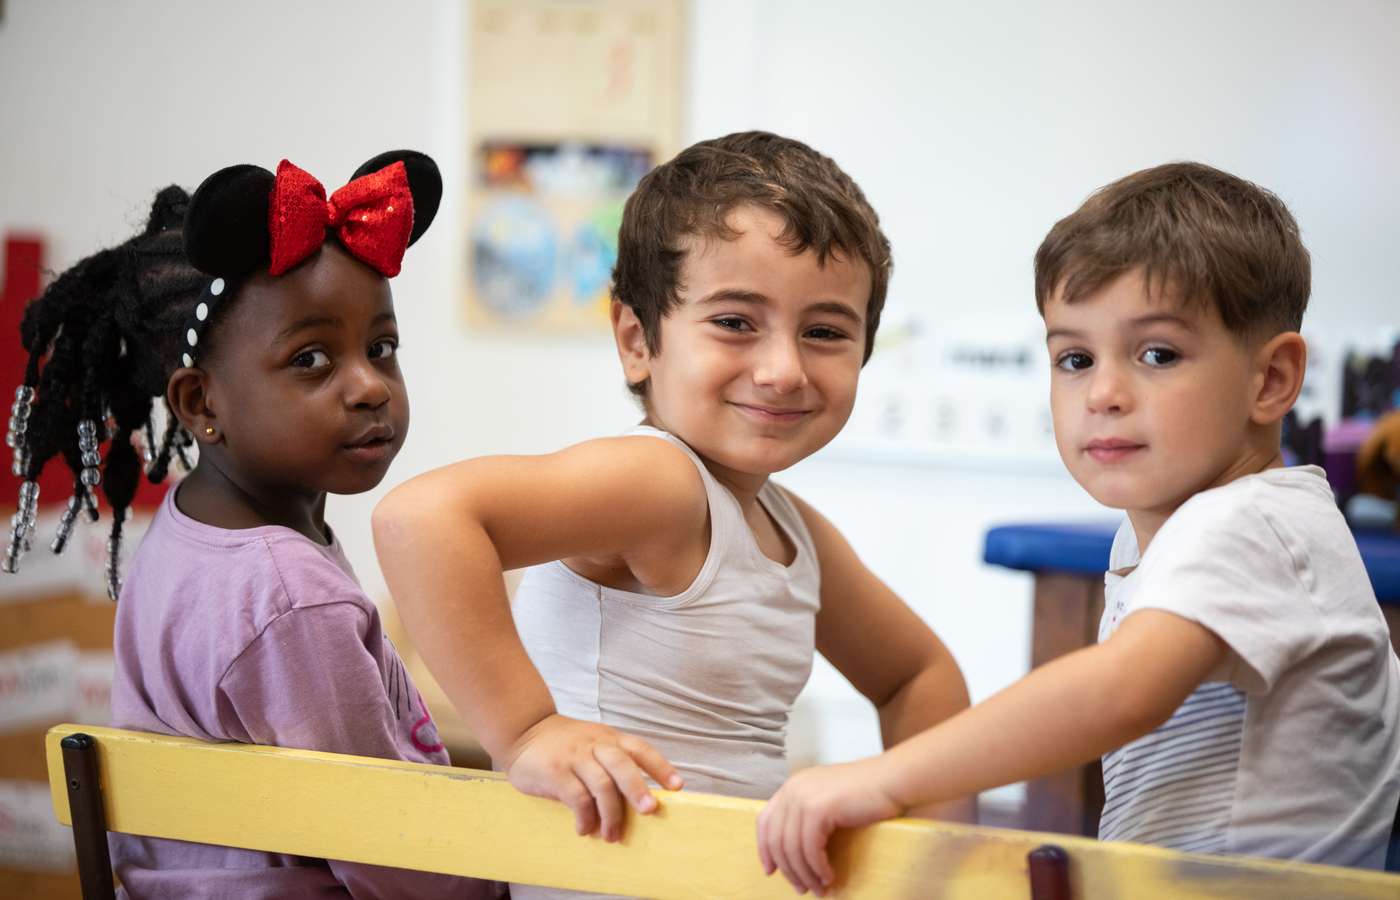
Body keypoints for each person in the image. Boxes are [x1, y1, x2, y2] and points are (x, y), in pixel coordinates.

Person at [757, 161, 1400, 893]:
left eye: (1157, 354)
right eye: (1075, 358)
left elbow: (1119, 693)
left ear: (1272, 379)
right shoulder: (1194, 528)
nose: (1103, 393)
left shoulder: (1250, 523)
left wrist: (884, 776)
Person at [372, 131, 973, 897]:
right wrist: (526, 732)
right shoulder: (660, 483)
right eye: (736, 322)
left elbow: (919, 677)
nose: (783, 369)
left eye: (824, 332)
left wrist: (931, 867)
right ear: (637, 341)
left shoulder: (795, 531)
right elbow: (421, 517)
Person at [4, 151, 496, 898]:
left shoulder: (184, 536)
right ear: (201, 404)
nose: (368, 386)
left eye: (381, 349)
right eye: (311, 359)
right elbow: (389, 851)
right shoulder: (292, 599)